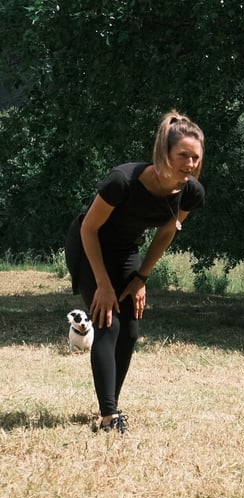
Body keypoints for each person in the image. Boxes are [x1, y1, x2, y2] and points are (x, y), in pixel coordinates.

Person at [65, 110, 205, 433]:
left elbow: (167, 231)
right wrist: (102, 283)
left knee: (130, 327)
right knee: (107, 320)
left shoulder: (191, 193)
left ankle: (110, 404)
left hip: (126, 249)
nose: (190, 164)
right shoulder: (122, 182)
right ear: (164, 153)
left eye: (196, 158)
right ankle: (109, 417)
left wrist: (142, 276)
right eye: (183, 155)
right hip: (90, 244)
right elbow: (89, 229)